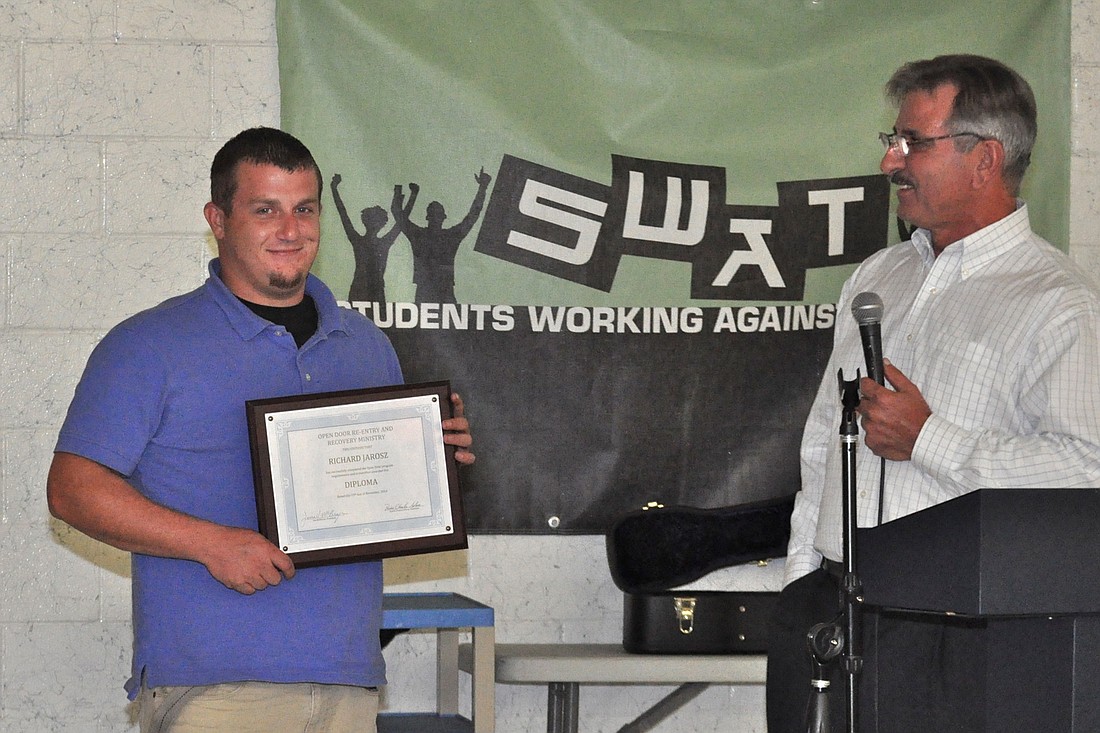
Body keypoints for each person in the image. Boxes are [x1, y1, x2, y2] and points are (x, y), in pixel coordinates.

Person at [46, 127, 474, 733]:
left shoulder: (366, 346)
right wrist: (211, 543)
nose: (290, 229)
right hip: (215, 687)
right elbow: (70, 489)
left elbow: (375, 498)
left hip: (347, 678)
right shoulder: (147, 345)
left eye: (304, 209)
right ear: (217, 219)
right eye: (264, 210)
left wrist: (432, 461)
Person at [766, 54, 1100, 732]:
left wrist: (930, 439)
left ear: (985, 159)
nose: (893, 160)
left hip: (955, 633)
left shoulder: (1057, 301)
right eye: (893, 140)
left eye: (914, 141)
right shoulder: (879, 275)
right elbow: (825, 440)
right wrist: (801, 578)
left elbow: (1086, 468)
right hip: (827, 609)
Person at [390, 168, 492, 304]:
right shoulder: (425, 235)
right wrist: (403, 190)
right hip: (428, 289)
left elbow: (473, 215)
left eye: (437, 214)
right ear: (429, 217)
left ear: (442, 217)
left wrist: (483, 187)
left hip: (441, 289)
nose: (435, 218)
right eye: (434, 214)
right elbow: (397, 213)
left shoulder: (444, 236)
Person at [331, 172, 418, 306]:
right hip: (362, 290)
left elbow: (402, 221)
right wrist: (334, 189)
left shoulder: (374, 242)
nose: (372, 223)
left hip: (374, 291)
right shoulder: (371, 241)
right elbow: (343, 213)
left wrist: (413, 195)